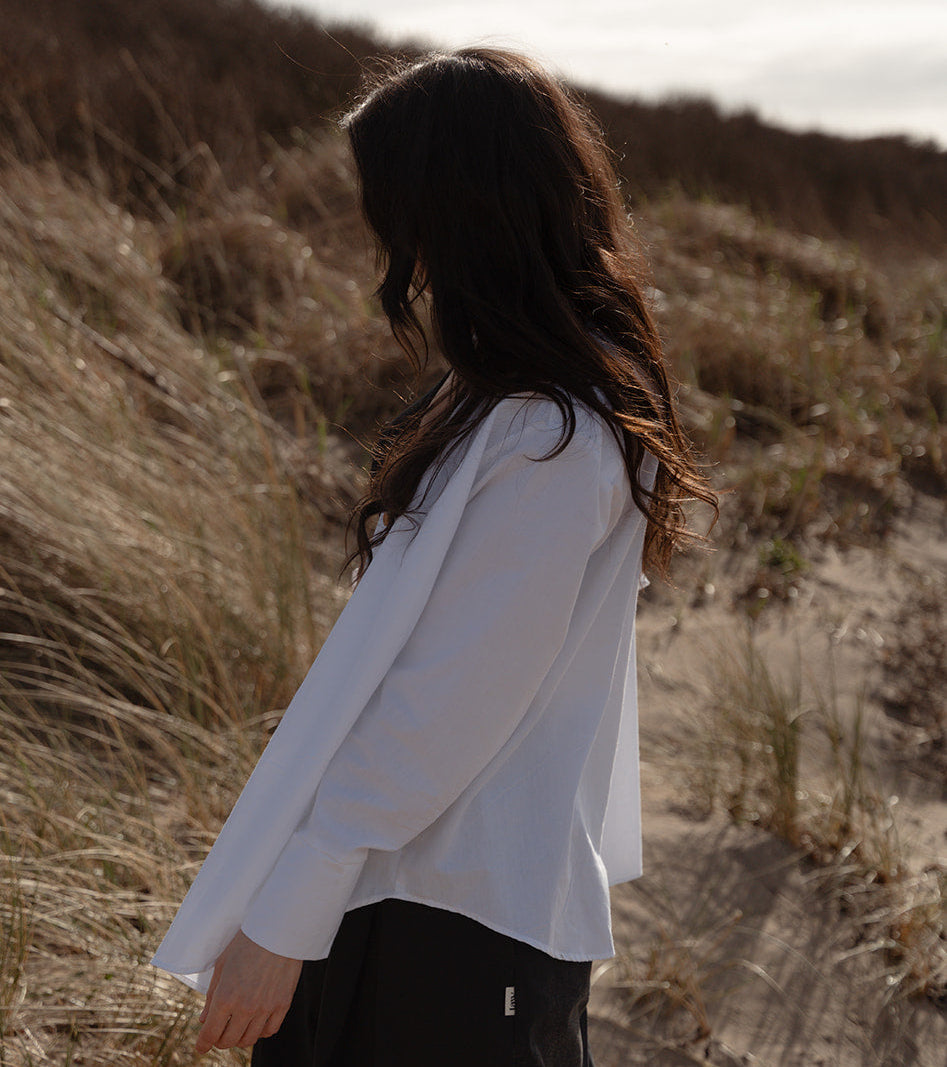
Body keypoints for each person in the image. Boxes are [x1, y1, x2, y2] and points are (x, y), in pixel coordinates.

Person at [151, 47, 716, 1065]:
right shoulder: (517, 401)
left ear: (459, 212)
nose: (389, 245)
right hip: (425, 898)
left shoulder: (554, 431)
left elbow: (446, 700)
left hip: (449, 918)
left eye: (397, 208)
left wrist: (290, 906)